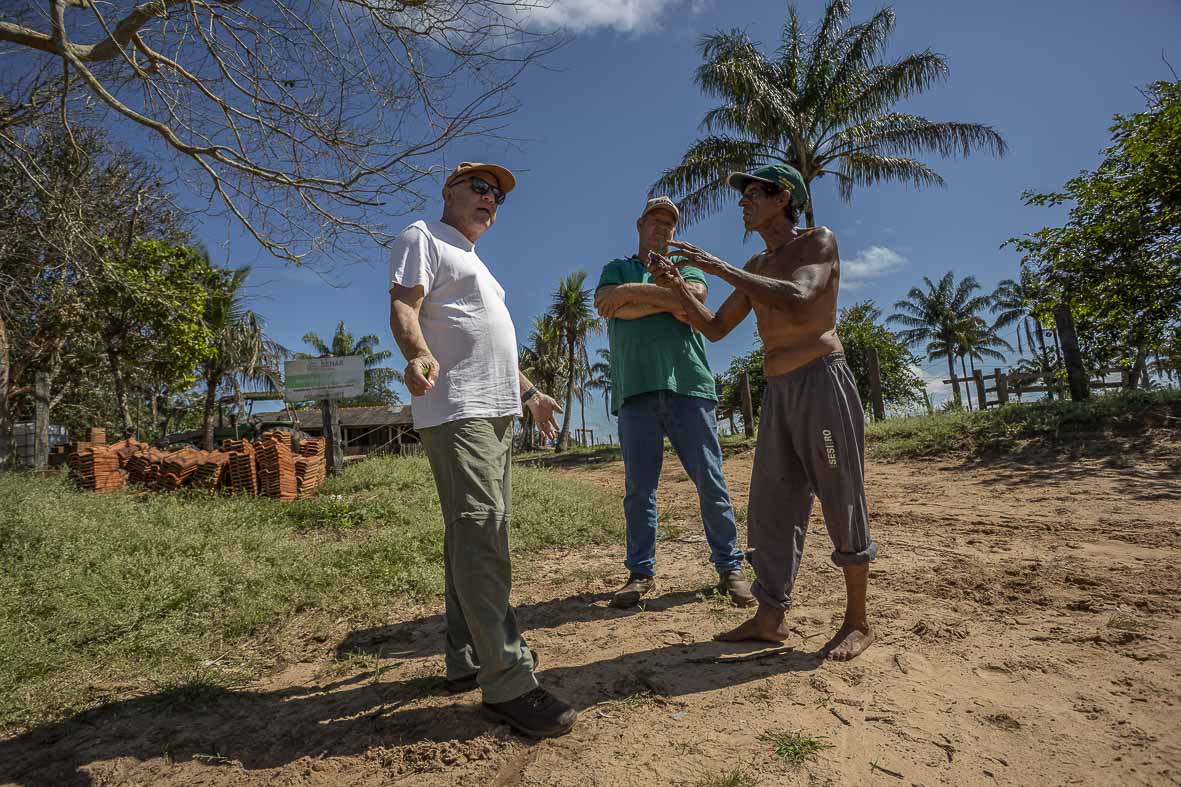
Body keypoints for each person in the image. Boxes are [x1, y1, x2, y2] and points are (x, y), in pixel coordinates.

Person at [647, 164, 878, 661]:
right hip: (778, 392)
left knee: (841, 495)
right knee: (771, 507)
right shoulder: (757, 262)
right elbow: (714, 328)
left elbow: (801, 296)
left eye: (754, 193)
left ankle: (858, 620)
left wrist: (720, 269)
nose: (744, 203)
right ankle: (770, 616)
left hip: (821, 380)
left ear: (783, 197)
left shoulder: (818, 242)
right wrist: (677, 288)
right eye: (743, 195)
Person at [388, 161, 577, 736]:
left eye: (497, 195)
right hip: (459, 410)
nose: (490, 198)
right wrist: (417, 353)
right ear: (448, 191)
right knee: (484, 539)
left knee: (471, 537)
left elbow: (494, 344)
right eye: (479, 187)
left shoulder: (480, 267)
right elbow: (404, 305)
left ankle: (466, 657)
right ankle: (508, 681)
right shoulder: (422, 237)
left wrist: (532, 394)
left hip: (495, 415)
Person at [594, 196, 755, 610]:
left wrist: (633, 299)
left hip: (690, 387)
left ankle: (729, 567)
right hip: (635, 389)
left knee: (710, 480)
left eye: (669, 224)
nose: (662, 229)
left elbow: (695, 297)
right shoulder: (615, 268)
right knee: (639, 490)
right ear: (639, 223)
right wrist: (662, 300)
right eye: (655, 221)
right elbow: (607, 304)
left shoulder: (684, 268)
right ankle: (640, 573)